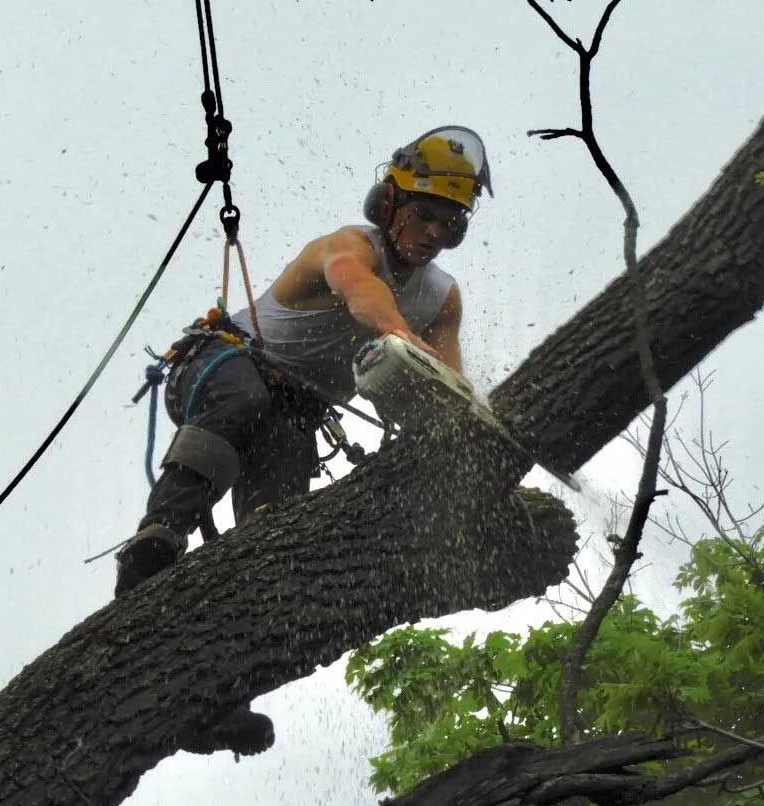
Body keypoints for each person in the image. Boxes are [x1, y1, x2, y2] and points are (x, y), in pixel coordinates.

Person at [115, 125, 493, 598]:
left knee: (279, 519)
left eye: (451, 224)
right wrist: (399, 334)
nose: (434, 233)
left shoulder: (442, 298)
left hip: (293, 411)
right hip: (222, 366)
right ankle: (159, 535)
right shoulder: (349, 247)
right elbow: (361, 291)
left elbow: (448, 382)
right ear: (390, 204)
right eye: (424, 215)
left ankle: (250, 593)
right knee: (245, 396)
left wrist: (465, 426)